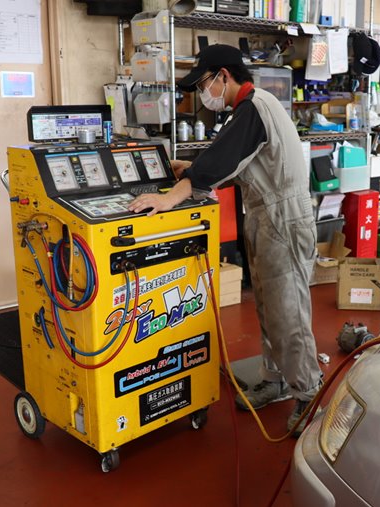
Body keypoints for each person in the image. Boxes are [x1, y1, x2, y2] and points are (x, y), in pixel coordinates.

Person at [127, 44, 322, 434]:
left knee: (289, 312)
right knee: (268, 306)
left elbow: (220, 163)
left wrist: (169, 197)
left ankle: (309, 393)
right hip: (269, 216)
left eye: (203, 84)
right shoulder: (250, 108)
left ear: (224, 76)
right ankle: (276, 378)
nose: (204, 93)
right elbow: (240, 163)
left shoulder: (253, 109)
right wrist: (192, 169)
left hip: (283, 218)